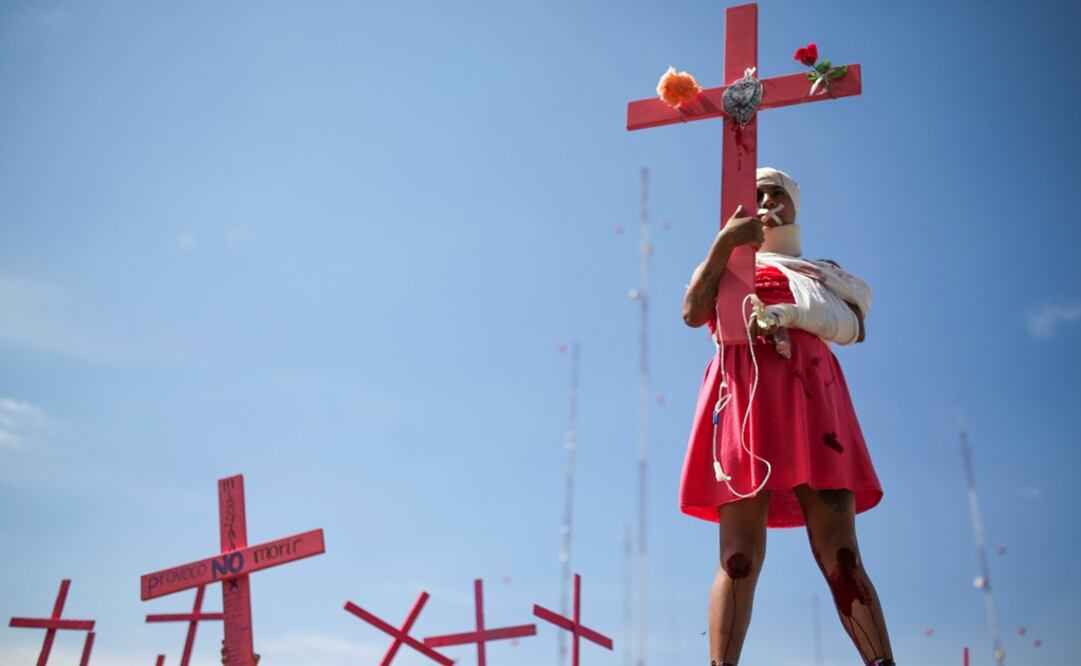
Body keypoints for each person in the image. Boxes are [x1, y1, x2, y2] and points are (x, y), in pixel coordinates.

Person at [681, 167, 894, 666]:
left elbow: (852, 325)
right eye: (756, 192)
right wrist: (724, 244)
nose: (766, 199)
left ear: (795, 205)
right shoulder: (725, 261)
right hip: (741, 394)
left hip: (812, 395)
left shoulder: (820, 270)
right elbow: (693, 311)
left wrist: (791, 317)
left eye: (777, 192)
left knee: (841, 551)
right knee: (739, 556)